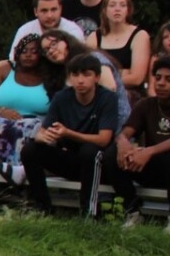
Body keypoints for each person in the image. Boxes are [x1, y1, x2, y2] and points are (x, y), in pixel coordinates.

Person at [19, 50, 117, 217]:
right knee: (30, 150)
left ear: (97, 78)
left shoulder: (107, 98)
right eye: (75, 75)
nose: (80, 80)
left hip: (99, 163)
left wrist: (68, 133)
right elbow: (42, 132)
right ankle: (43, 208)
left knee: (89, 151)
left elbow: (104, 139)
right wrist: (44, 137)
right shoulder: (62, 97)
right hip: (71, 158)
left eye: (86, 75)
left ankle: (88, 212)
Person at [112, 56, 170, 233]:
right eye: (157, 77)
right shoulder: (146, 104)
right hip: (149, 167)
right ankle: (133, 213)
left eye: (169, 79)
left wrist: (149, 151)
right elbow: (125, 133)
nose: (160, 83)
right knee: (110, 154)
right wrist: (123, 144)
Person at [0, 33, 56, 177]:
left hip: (37, 125)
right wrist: (0, 111)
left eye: (34, 52)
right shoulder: (5, 71)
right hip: (3, 120)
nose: (28, 55)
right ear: (17, 53)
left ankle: (18, 171)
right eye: (24, 51)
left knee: (28, 128)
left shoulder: (51, 75)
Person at [94, 0, 151, 109]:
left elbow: (137, 78)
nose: (117, 9)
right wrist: (123, 72)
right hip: (100, 94)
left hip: (132, 95)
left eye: (122, 5)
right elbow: (88, 72)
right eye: (112, 5)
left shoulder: (140, 35)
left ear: (128, 10)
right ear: (105, 10)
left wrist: (106, 78)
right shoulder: (94, 37)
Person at [7, 0, 83, 61]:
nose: (49, 15)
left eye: (53, 10)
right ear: (36, 12)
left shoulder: (73, 30)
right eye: (44, 11)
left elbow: (79, 60)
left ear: (60, 9)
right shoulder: (25, 31)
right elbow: (13, 60)